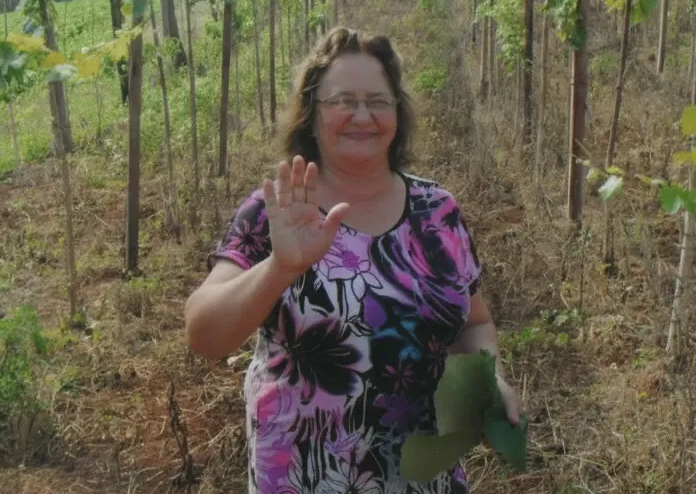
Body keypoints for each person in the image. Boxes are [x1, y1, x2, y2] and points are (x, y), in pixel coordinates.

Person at [185, 26, 520, 494]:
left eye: (378, 101)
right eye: (343, 100)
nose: (361, 115)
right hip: (307, 478)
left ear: (397, 113)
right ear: (312, 112)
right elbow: (204, 335)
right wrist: (279, 269)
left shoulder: (436, 211)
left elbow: (473, 323)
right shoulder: (276, 211)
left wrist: (491, 379)